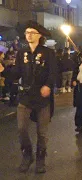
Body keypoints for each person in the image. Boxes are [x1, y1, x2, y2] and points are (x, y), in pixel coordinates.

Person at [12, 21, 57, 173]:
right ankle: (27, 154)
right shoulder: (21, 53)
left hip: (42, 98)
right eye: (27, 32)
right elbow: (16, 73)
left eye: (32, 32)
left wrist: (48, 86)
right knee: (21, 129)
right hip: (25, 97)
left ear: (39, 36)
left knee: (42, 133)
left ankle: (40, 158)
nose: (29, 35)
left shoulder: (48, 53)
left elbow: (53, 73)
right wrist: (4, 69)